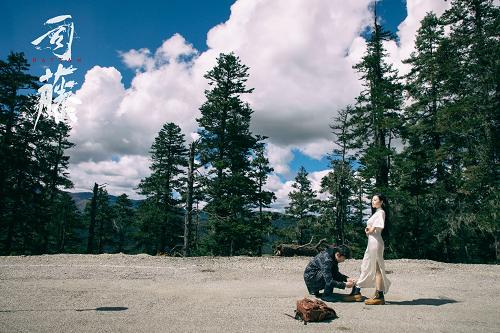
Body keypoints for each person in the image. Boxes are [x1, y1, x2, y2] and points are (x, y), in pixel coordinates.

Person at [344, 193, 391, 305]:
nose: (372, 201)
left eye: (375, 200)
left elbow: (378, 226)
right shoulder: (377, 213)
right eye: (372, 200)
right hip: (372, 242)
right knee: (365, 266)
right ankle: (357, 292)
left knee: (377, 268)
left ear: (381, 202)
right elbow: (373, 228)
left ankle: (379, 296)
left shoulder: (381, 212)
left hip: (375, 242)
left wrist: (370, 230)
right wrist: (369, 231)